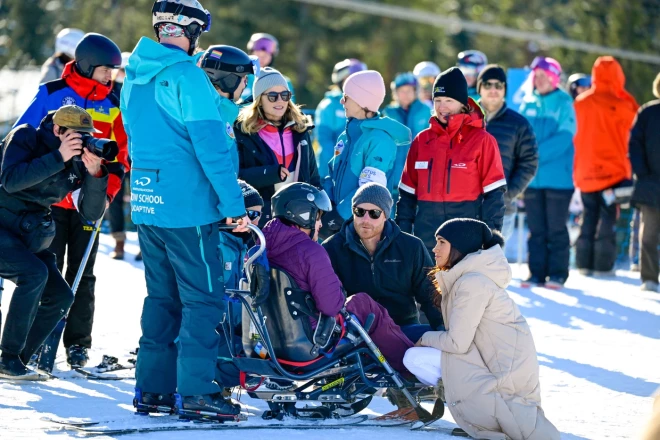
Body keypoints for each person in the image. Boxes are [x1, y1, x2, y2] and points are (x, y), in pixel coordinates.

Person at [120, 0, 250, 418]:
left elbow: (158, 131)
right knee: (204, 300)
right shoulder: (187, 75)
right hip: (188, 209)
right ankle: (198, 392)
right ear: (190, 30)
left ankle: (152, 390)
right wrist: (234, 207)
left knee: (161, 298)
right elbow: (211, 149)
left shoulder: (135, 76)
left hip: (146, 201)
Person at [14, 32, 129, 368]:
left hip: (89, 200)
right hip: (49, 200)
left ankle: (77, 344)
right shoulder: (51, 94)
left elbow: (121, 156)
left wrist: (106, 193)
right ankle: (34, 342)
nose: (111, 76)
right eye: (107, 69)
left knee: (83, 272)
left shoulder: (114, 103)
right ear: (89, 64)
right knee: (46, 272)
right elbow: (22, 139)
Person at [403, 218, 560, 440]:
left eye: (441, 242)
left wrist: (425, 338)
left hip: (502, 379)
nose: (435, 248)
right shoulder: (469, 278)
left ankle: (472, 406)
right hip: (492, 365)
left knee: (414, 356)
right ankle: (466, 401)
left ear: (460, 247)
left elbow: (457, 343)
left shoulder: (472, 283)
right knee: (416, 343)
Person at [0, 105, 108, 379]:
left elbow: (92, 213)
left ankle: (17, 362)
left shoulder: (76, 161)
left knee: (61, 295)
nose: (83, 142)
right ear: (58, 130)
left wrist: (96, 176)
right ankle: (8, 358)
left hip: (27, 233)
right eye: (77, 136)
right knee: (33, 275)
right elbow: (11, 181)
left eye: (87, 136)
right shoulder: (26, 137)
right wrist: (58, 156)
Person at [264, 182, 414, 374]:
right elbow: (331, 306)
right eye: (317, 217)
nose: (320, 224)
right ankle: (410, 367)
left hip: (273, 342)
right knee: (364, 304)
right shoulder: (310, 251)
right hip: (314, 341)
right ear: (302, 214)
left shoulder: (259, 249)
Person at [396, 67, 506, 254]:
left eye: (448, 100)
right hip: (426, 242)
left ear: (462, 103)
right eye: (437, 100)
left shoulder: (482, 141)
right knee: (425, 284)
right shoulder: (422, 141)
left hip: (466, 242)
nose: (442, 107)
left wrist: (489, 238)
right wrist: (402, 236)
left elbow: (494, 195)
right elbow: (406, 197)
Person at [323, 182, 442, 339]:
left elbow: (429, 294)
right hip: (357, 333)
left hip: (403, 327)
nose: (365, 219)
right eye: (359, 212)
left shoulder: (411, 246)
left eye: (374, 214)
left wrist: (441, 328)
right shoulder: (333, 248)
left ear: (385, 215)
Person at [321, 70, 411, 239]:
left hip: (364, 228)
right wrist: (324, 204)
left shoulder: (379, 140)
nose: (341, 101)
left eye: (346, 97)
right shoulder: (347, 135)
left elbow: (370, 189)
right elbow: (332, 174)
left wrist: (340, 216)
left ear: (361, 102)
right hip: (343, 226)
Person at [573, 56, 639, 276]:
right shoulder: (623, 104)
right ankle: (603, 266)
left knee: (588, 217)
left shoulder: (580, 103)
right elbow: (637, 121)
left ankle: (583, 264)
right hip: (613, 174)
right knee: (608, 219)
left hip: (585, 172)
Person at [235, 67, 320, 228]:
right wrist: (270, 173)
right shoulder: (243, 132)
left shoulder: (301, 129)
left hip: (298, 219)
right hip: (260, 220)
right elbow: (236, 176)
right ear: (259, 99)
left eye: (285, 95)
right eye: (273, 96)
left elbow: (313, 178)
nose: (280, 101)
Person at [519, 56, 576, 289]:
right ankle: (536, 273)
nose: (539, 80)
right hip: (532, 180)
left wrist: (533, 154)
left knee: (556, 228)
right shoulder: (527, 102)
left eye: (544, 76)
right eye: (536, 76)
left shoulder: (564, 102)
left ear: (554, 77)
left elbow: (564, 136)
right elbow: (520, 135)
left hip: (558, 180)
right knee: (536, 229)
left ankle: (558, 274)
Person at [477, 64, 538, 242]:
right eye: (488, 84)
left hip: (502, 210)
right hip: (465, 206)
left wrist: (508, 194)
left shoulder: (519, 124)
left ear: (505, 89)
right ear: (480, 87)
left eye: (499, 85)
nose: (493, 90)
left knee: (493, 264)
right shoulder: (463, 118)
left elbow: (530, 163)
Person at [199, 44, 256, 173]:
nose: (245, 85)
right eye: (244, 79)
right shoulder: (215, 116)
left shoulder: (220, 110)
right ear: (230, 79)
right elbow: (217, 169)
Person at [629, 73, 660, 292]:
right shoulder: (648, 112)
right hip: (651, 184)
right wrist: (643, 174)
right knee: (648, 233)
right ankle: (649, 278)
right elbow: (635, 146)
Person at [315, 58, 367, 178]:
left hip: (357, 173)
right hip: (332, 174)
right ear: (340, 80)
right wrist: (337, 170)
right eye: (350, 80)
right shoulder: (328, 106)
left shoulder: (366, 105)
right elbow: (325, 143)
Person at [108, 51, 133, 261]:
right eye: (121, 70)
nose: (124, 74)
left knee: (143, 199)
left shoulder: (140, 91)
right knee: (114, 198)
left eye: (127, 70)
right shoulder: (109, 94)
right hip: (115, 152)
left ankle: (146, 244)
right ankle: (119, 242)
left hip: (138, 152)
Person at [240, 33, 295, 103]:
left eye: (266, 55)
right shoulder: (240, 77)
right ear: (251, 53)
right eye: (258, 54)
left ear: (272, 57)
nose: (261, 58)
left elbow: (288, 106)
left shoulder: (283, 81)